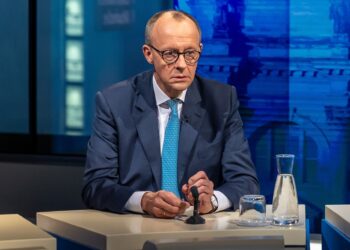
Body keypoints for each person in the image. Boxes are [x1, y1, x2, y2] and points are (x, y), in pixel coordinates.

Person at [82, 10, 259, 218]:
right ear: (149, 53)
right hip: (135, 233)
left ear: (200, 50)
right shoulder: (114, 103)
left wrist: (211, 201)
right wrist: (143, 201)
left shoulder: (221, 101)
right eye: (170, 54)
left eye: (190, 54)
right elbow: (96, 186)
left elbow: (246, 182)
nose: (182, 65)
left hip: (202, 235)